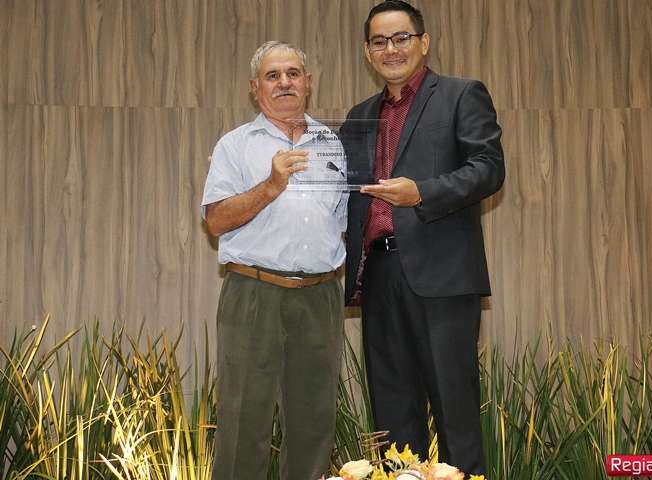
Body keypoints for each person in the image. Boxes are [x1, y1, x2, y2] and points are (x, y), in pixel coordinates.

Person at [342, 1, 505, 475]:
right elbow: (344, 188)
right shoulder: (359, 116)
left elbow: (488, 169)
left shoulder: (461, 94)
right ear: (367, 52)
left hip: (443, 278)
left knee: (455, 413)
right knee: (392, 417)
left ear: (423, 42)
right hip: (378, 276)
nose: (391, 49)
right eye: (379, 41)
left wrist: (422, 193)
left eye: (401, 38)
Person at [201, 41, 347, 480]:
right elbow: (216, 221)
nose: (284, 82)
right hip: (254, 292)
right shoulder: (235, 145)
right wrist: (270, 185)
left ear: (308, 83)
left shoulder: (333, 145)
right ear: (255, 88)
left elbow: (341, 223)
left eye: (292, 73)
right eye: (272, 75)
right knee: (244, 421)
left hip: (320, 296)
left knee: (314, 422)